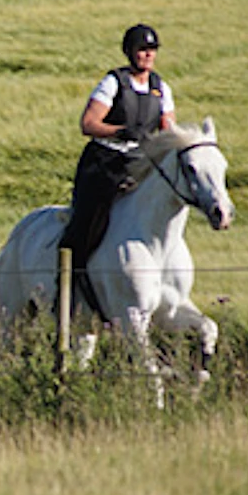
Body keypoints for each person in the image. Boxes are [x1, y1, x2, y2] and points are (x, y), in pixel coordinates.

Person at [58, 23, 176, 317]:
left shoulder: (161, 89)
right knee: (88, 219)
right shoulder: (113, 82)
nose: (147, 55)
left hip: (139, 166)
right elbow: (88, 124)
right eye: (141, 50)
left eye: (151, 50)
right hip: (104, 163)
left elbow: (168, 129)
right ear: (129, 52)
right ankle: (70, 281)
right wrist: (120, 131)